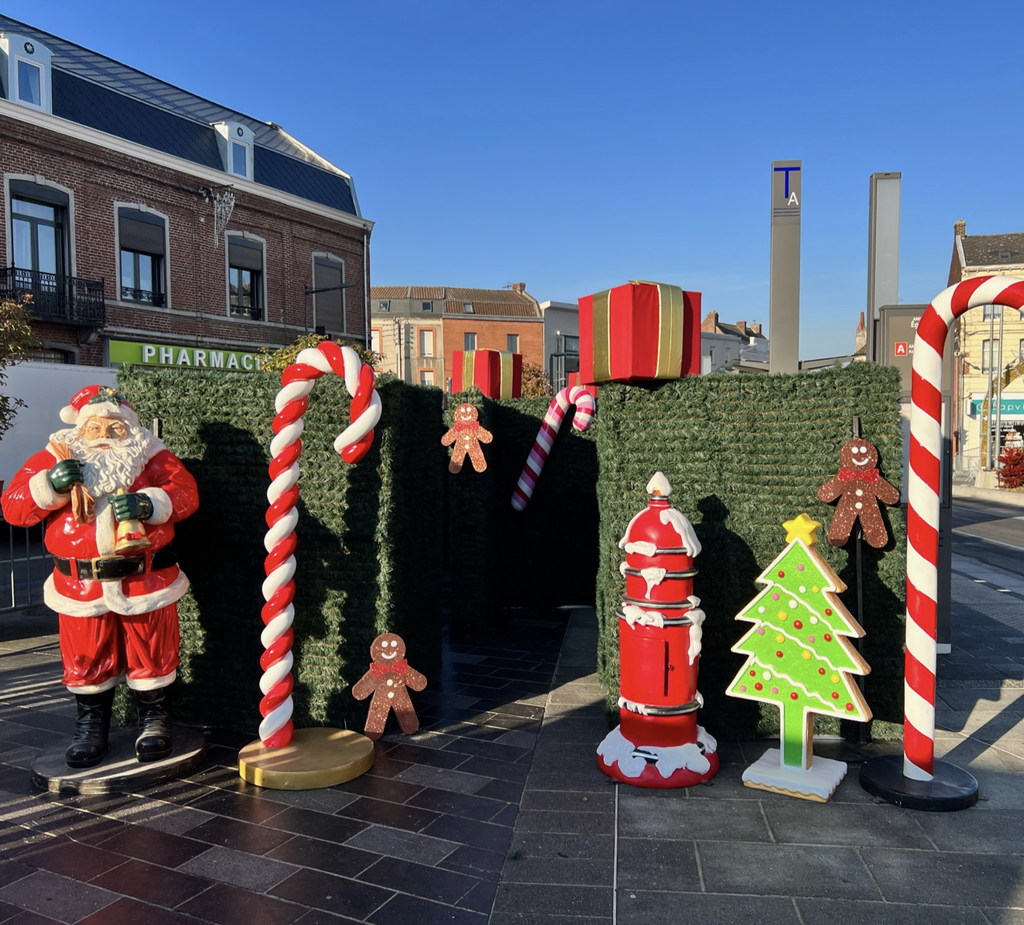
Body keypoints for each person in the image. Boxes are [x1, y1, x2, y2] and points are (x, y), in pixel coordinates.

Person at [1, 385, 199, 769]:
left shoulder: (150, 456)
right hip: (80, 584)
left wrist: (149, 502)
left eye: (115, 427)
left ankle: (154, 722)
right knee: (85, 658)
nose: (106, 435)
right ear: (80, 429)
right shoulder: (56, 457)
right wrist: (51, 486)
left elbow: (186, 493)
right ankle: (91, 728)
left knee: (153, 652)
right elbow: (13, 508)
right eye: (94, 428)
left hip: (145, 581)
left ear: (130, 428)